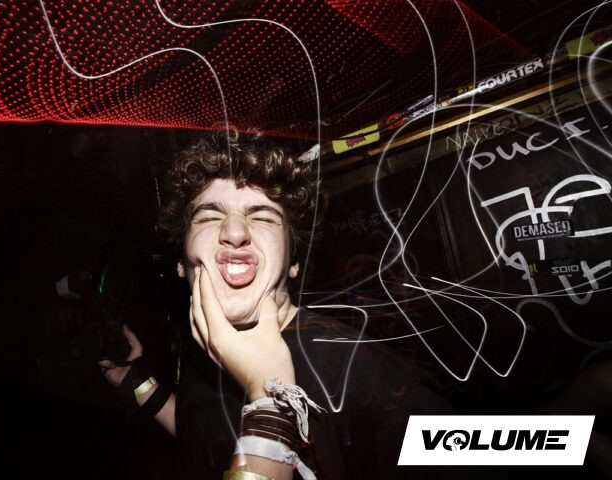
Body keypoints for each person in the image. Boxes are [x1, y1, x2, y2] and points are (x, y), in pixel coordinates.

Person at [99, 130, 469, 480]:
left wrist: (270, 406)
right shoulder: (207, 345)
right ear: (181, 261)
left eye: (262, 216)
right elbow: (205, 435)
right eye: (209, 216)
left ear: (294, 261)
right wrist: (138, 383)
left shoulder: (368, 380)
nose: (235, 232)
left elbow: (494, 449)